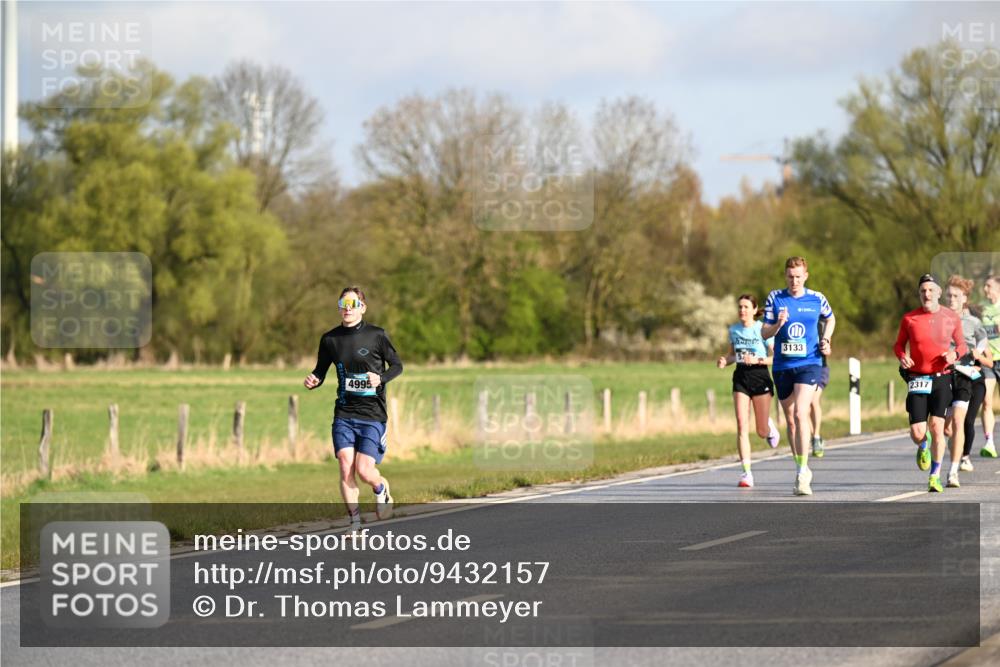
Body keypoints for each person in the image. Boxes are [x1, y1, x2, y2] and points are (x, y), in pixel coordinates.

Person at [304, 287, 403, 532]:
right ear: (339, 307)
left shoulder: (377, 335)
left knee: (364, 470)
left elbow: (397, 365)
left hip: (372, 416)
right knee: (345, 465)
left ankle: (381, 489)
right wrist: (314, 380)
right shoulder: (330, 339)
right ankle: (355, 523)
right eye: (343, 302)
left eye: (353, 302)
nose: (348, 307)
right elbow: (321, 370)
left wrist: (380, 378)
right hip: (344, 414)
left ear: (362, 307)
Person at [761, 257, 835, 496]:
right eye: (790, 276)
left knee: (801, 412)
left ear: (806, 275)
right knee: (790, 421)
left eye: (798, 276)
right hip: (783, 366)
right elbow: (764, 332)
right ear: (785, 276)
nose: (794, 281)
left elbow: (830, 318)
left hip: (810, 363)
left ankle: (803, 472)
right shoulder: (775, 298)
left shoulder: (817, 298)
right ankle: (799, 465)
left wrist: (826, 339)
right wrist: (778, 325)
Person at [893, 274, 966, 493]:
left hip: (941, 378)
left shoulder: (951, 317)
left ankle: (934, 475)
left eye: (931, 290)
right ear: (919, 294)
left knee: (937, 426)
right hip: (917, 379)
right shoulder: (910, 319)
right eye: (923, 291)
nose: (927, 294)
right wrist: (902, 356)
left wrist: (954, 354)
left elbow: (962, 345)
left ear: (938, 293)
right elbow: (898, 345)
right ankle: (923, 446)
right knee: (917, 432)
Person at [717, 294, 781, 488]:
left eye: (746, 307)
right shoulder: (734, 330)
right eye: (740, 307)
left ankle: (769, 427)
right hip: (741, 378)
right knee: (741, 424)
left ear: (754, 310)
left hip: (760, 376)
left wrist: (758, 360)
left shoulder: (762, 329)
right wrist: (724, 361)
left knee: (760, 432)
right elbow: (732, 356)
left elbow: (777, 357)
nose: (742, 310)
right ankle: (747, 473)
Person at [942, 275, 993, 486]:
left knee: (963, 420)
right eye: (949, 296)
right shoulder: (939, 319)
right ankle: (957, 451)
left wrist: (977, 357)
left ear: (964, 298)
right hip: (946, 375)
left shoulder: (974, 323)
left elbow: (986, 356)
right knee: (946, 429)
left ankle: (961, 459)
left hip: (970, 377)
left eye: (956, 296)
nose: (951, 299)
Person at [980, 275, 1000, 458]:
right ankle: (989, 442)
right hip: (988, 360)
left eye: (988, 285)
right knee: (986, 400)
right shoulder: (983, 311)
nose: (985, 289)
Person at [809, 319, 830, 458]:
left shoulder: (821, 324)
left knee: (813, 400)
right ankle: (813, 437)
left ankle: (816, 436)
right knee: (803, 408)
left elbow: (828, 348)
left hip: (820, 367)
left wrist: (826, 347)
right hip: (801, 368)